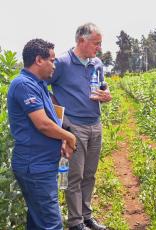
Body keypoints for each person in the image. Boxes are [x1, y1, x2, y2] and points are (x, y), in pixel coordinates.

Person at [7, 39, 77, 230]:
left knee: (38, 221)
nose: (54, 65)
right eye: (52, 60)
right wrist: (69, 137)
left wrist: (62, 136)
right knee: (52, 224)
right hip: (35, 166)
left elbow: (52, 119)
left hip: (41, 165)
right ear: (39, 60)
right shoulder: (24, 85)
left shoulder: (39, 85)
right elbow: (43, 124)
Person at [48, 23, 112, 230]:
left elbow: (103, 86)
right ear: (81, 41)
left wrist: (107, 94)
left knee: (90, 174)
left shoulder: (97, 63)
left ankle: (86, 216)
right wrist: (61, 121)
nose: (99, 48)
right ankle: (75, 222)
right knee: (75, 175)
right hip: (74, 127)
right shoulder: (62, 63)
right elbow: (43, 87)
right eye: (96, 43)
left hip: (95, 124)